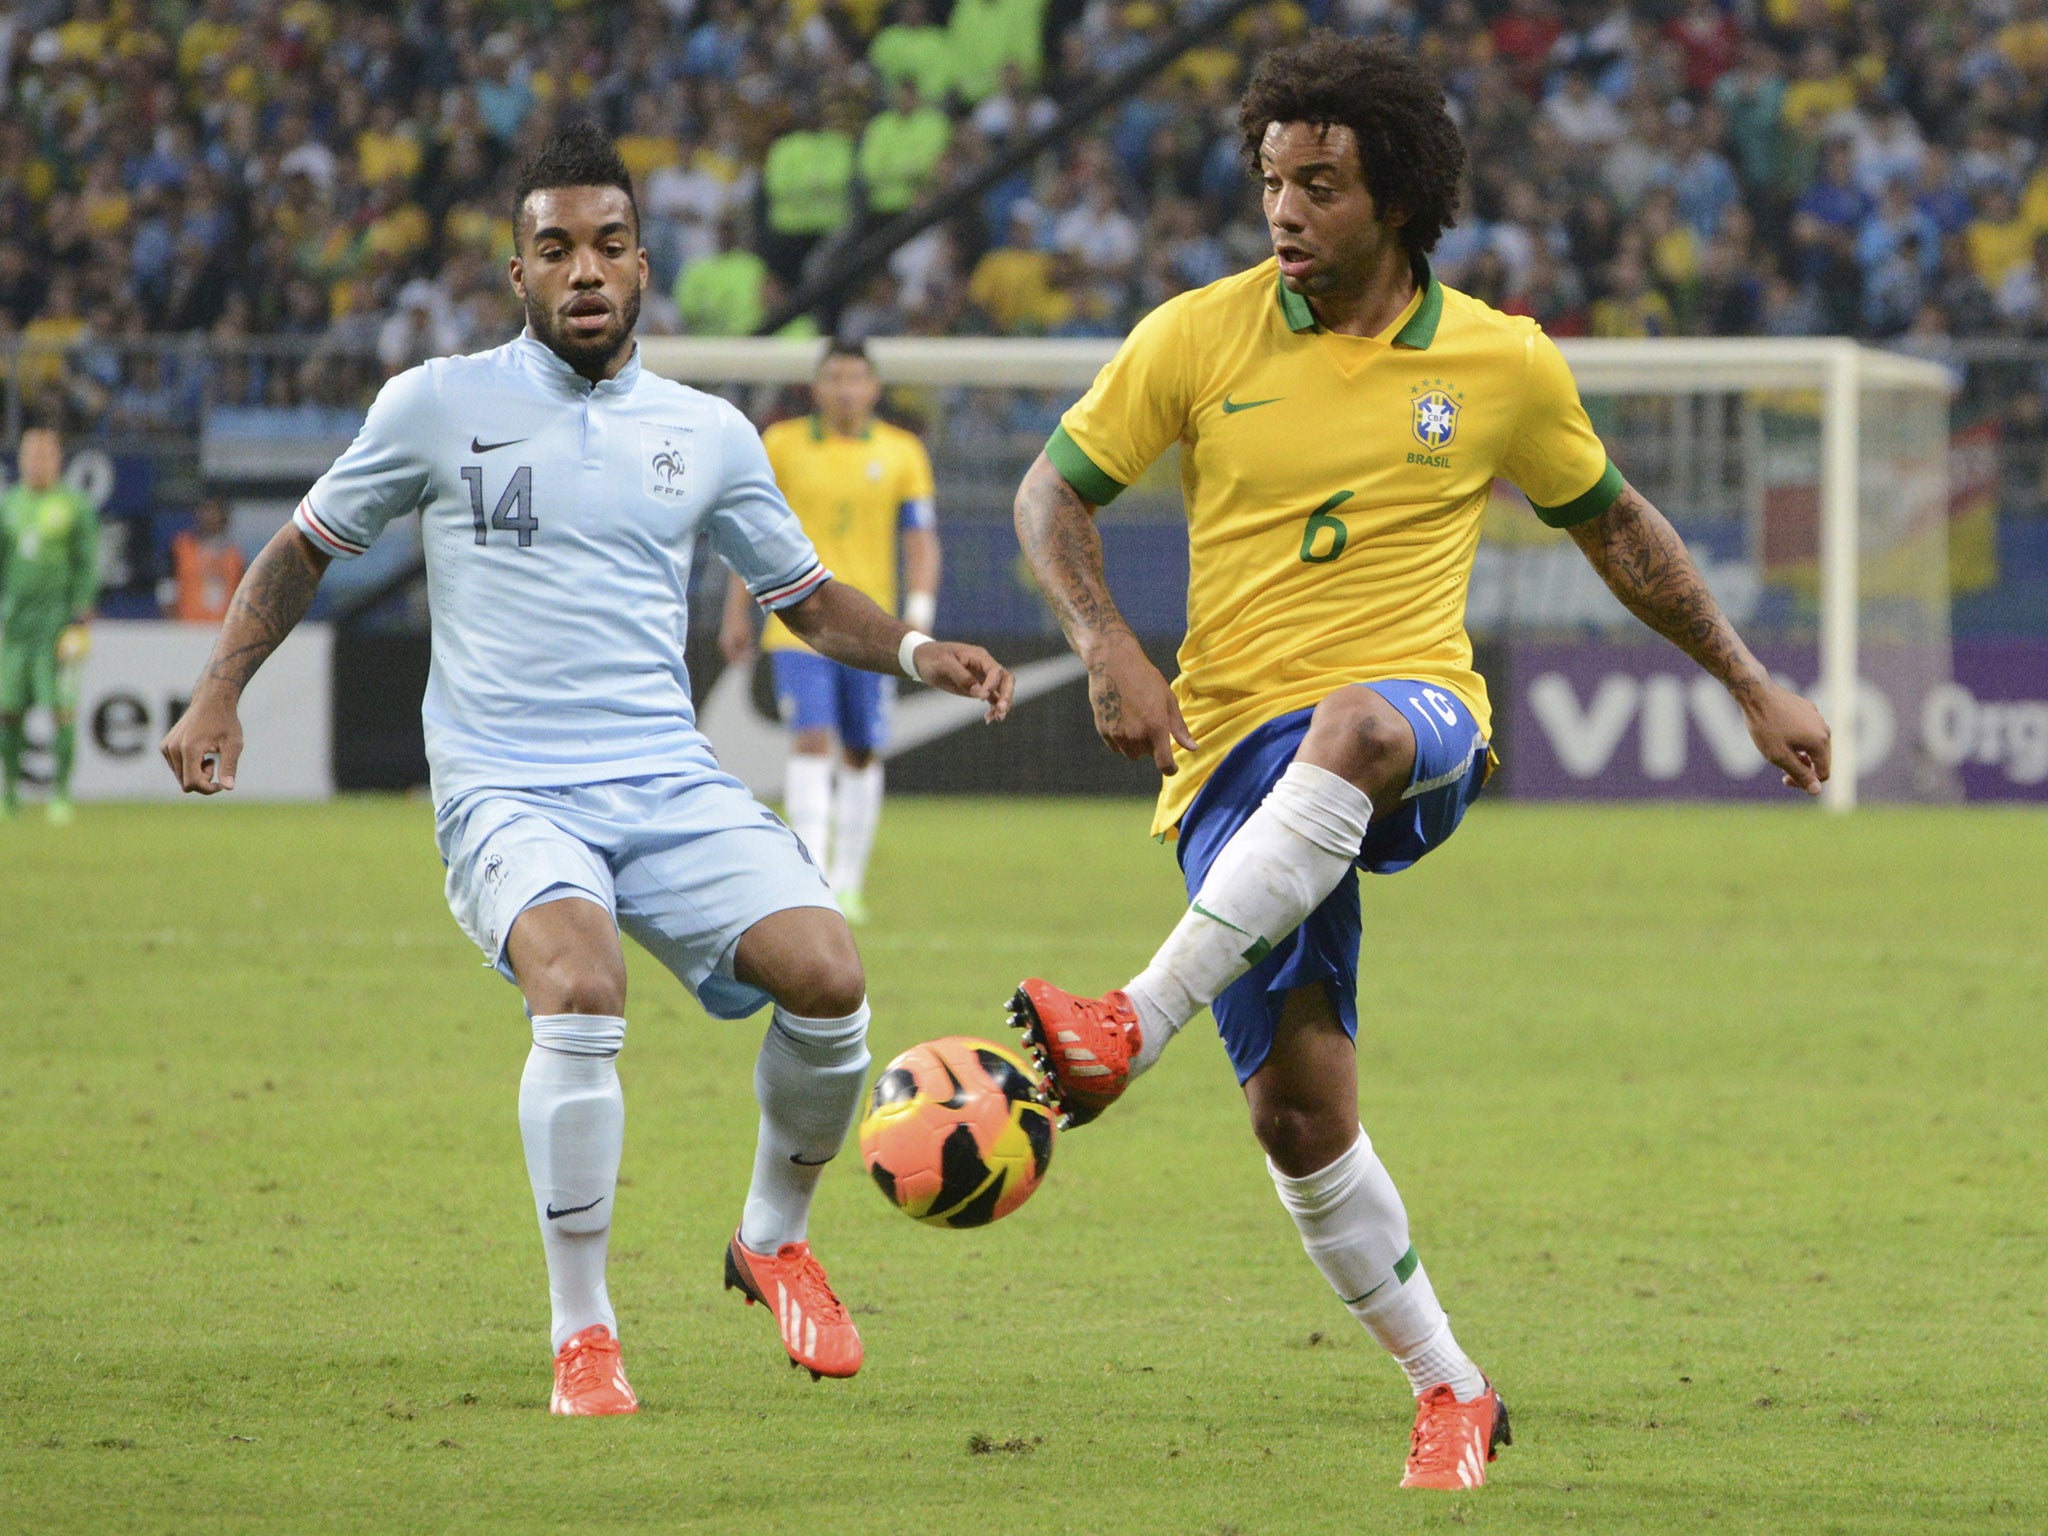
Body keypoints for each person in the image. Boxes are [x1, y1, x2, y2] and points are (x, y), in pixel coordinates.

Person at [1006, 36, 1830, 1492]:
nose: (1285, 210)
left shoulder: (1499, 362)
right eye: (1271, 179)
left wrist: (1750, 681)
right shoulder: (1199, 334)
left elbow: (1622, 533)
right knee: (1301, 1115)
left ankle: (1127, 1022)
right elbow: (1048, 497)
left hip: (1415, 719)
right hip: (1226, 765)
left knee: (1364, 726)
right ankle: (1450, 1386)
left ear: (1397, 199)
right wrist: (1107, 645)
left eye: (1320, 184)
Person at [160, 123, 1013, 1416]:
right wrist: (221, 684)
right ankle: (584, 1330)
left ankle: (772, 1239)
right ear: (516, 272)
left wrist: (911, 646)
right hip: (509, 786)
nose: (585, 271)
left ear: (643, 263)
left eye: (608, 245)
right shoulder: (438, 405)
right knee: (578, 982)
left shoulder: (708, 432)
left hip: (664, 780)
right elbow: (301, 548)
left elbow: (802, 594)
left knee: (831, 981)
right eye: (554, 249)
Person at [719, 339, 940, 924]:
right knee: (812, 739)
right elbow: (751, 533)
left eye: (856, 378)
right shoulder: (781, 444)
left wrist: (919, 613)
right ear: (817, 387)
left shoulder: (902, 452)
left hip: (873, 630)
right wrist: (736, 611)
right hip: (798, 624)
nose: (845, 389)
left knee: (863, 751)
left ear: (874, 388)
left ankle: (849, 882)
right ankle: (812, 876)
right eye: (834, 377)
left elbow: (920, 540)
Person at [1, 427, 98, 824]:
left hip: (57, 627)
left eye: (45, 455)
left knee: (61, 710)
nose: (37, 462)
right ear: (21, 459)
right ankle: (9, 793)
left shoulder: (74, 506)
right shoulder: (9, 506)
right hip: (16, 628)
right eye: (31, 455)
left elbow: (87, 561)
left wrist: (82, 609)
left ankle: (60, 794)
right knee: (8, 710)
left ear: (58, 461)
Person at [166, 495, 246, 623]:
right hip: (187, 627)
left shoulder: (234, 555)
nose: (209, 517)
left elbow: (243, 596)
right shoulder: (181, 547)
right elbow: (167, 589)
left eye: (214, 512)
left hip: (222, 628)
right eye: (206, 511)